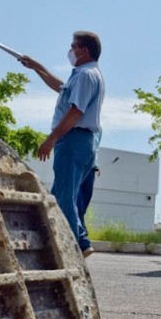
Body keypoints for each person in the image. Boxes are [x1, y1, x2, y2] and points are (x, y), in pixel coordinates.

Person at [19, 31, 105, 257]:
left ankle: (75, 245)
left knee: (65, 196)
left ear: (84, 50)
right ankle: (75, 242)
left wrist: (51, 138)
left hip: (73, 139)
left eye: (74, 46)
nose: (70, 51)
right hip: (79, 141)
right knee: (59, 196)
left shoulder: (86, 75)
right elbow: (60, 86)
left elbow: (76, 111)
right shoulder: (84, 74)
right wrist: (37, 67)